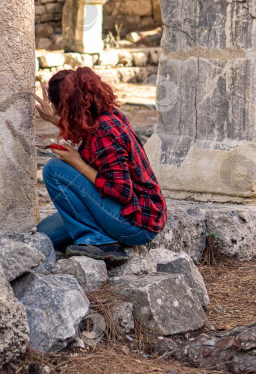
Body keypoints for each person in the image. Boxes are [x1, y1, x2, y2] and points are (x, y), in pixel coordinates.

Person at [33, 67, 166, 262]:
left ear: (67, 106)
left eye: (57, 106)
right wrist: (54, 119)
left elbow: (122, 191)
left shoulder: (105, 132)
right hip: (130, 213)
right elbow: (86, 135)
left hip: (136, 225)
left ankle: (99, 241)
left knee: (54, 170)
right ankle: (96, 233)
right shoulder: (106, 116)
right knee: (43, 235)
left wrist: (77, 162)